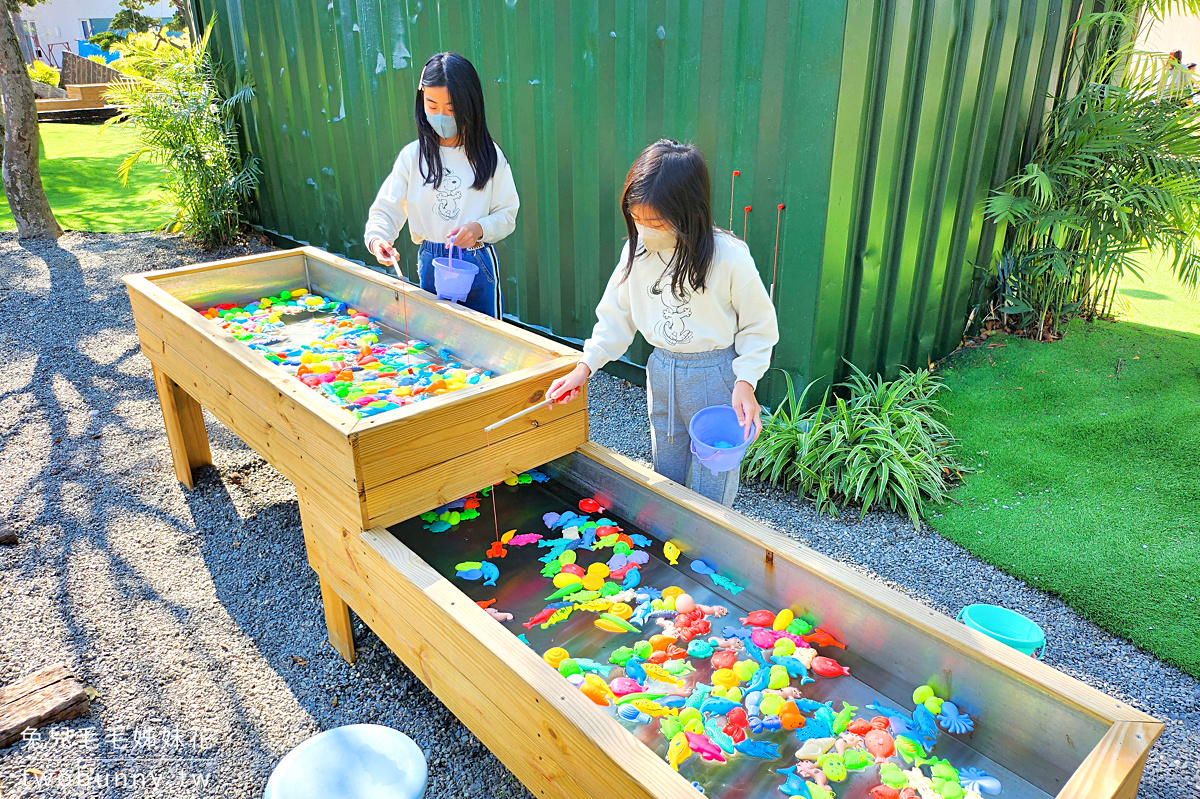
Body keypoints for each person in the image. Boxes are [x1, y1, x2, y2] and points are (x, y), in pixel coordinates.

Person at [547, 140, 779, 507]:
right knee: (665, 466)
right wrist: (584, 367)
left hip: (715, 373)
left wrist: (746, 381)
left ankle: (709, 547)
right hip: (662, 368)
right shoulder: (635, 253)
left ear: (688, 211)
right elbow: (615, 318)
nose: (644, 230)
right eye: (637, 220)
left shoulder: (729, 258)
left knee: (713, 474)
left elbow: (759, 325)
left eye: (654, 222)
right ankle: (672, 545)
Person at [365, 52, 519, 318]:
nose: (441, 116)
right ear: (421, 101)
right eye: (432, 106)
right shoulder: (413, 157)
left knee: (486, 340)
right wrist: (379, 239)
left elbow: (507, 214)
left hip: (476, 259)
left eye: (451, 109)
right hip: (431, 261)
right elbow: (387, 208)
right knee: (437, 337)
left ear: (470, 105)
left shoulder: (489, 155)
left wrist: (479, 228)